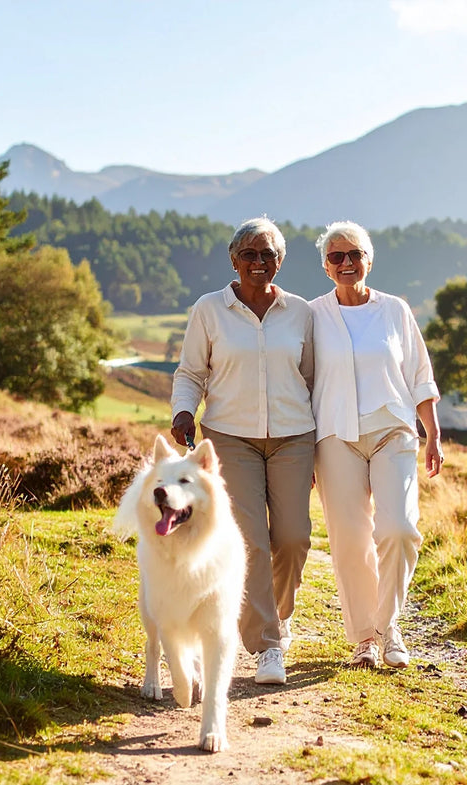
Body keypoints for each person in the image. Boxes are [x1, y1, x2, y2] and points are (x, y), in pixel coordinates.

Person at [170, 217, 315, 685]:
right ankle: (267, 645)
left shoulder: (300, 312)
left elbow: (314, 379)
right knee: (251, 541)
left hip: (294, 437)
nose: (258, 262)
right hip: (230, 437)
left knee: (293, 539)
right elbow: (191, 372)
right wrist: (184, 411)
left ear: (280, 261)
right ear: (234, 260)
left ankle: (277, 615)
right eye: (249, 254)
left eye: (267, 254)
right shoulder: (209, 309)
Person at [309, 220, 444, 669]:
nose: (346, 263)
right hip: (335, 436)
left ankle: (389, 627)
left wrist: (433, 433)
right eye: (336, 256)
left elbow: (419, 374)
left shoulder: (395, 310)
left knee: (399, 531)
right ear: (326, 266)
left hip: (393, 430)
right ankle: (365, 638)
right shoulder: (312, 315)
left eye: (355, 254)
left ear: (369, 259)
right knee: (350, 541)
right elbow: (301, 381)